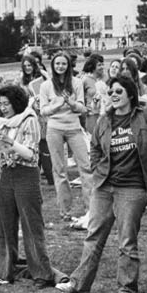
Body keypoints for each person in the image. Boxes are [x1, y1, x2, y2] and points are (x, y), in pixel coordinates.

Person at [59, 73, 147, 293]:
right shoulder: (105, 120)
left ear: (130, 95)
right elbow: (95, 146)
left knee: (126, 239)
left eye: (119, 92)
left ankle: (127, 288)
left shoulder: (145, 116)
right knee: (93, 235)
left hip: (133, 187)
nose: (114, 95)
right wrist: (97, 168)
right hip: (105, 185)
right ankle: (79, 284)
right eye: (111, 92)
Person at [0, 84, 54, 285]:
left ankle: (42, 273)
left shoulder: (30, 119)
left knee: (31, 224)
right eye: (0, 105)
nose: (3, 108)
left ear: (16, 102)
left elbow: (31, 154)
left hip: (27, 174)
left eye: (6, 103)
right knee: (5, 221)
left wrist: (8, 142)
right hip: (8, 173)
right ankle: (5, 270)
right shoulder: (3, 123)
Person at [37, 52, 93, 229]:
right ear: (53, 66)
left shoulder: (76, 83)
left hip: (74, 127)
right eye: (57, 64)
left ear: (69, 66)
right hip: (54, 128)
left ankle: (91, 209)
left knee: (85, 166)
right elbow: (43, 110)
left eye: (63, 64)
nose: (60, 66)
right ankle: (65, 211)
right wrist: (57, 104)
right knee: (59, 169)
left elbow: (83, 108)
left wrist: (71, 103)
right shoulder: (46, 85)